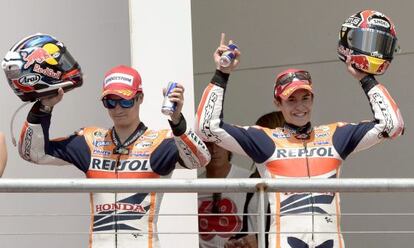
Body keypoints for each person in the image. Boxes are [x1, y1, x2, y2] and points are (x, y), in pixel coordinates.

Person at [195, 33, 404, 247]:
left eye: (305, 98)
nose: (299, 106)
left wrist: (365, 79)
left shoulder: (335, 136)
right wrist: (222, 73)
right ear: (278, 103)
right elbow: (206, 128)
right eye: (291, 100)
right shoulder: (264, 140)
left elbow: (392, 125)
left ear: (313, 99)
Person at [18, 65, 211, 248]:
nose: (117, 109)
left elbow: (200, 160)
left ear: (140, 98)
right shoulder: (90, 141)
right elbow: (33, 153)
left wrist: (177, 121)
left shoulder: (161, 141)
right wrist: (44, 107)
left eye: (125, 101)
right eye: (110, 102)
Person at [198, 142, 257, 248]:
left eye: (219, 145)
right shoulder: (193, 186)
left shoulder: (249, 181)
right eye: (209, 145)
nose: (214, 150)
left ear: (228, 148)